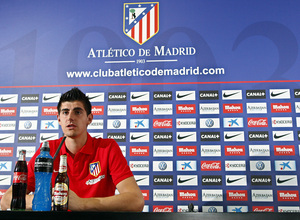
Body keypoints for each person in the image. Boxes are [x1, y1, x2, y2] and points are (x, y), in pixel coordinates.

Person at [1, 87, 144, 211]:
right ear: (58, 119)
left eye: (77, 112)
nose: (70, 118)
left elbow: (136, 201)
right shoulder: (47, 150)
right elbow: (7, 199)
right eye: (65, 112)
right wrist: (45, 201)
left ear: (89, 118)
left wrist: (82, 204)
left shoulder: (107, 148)